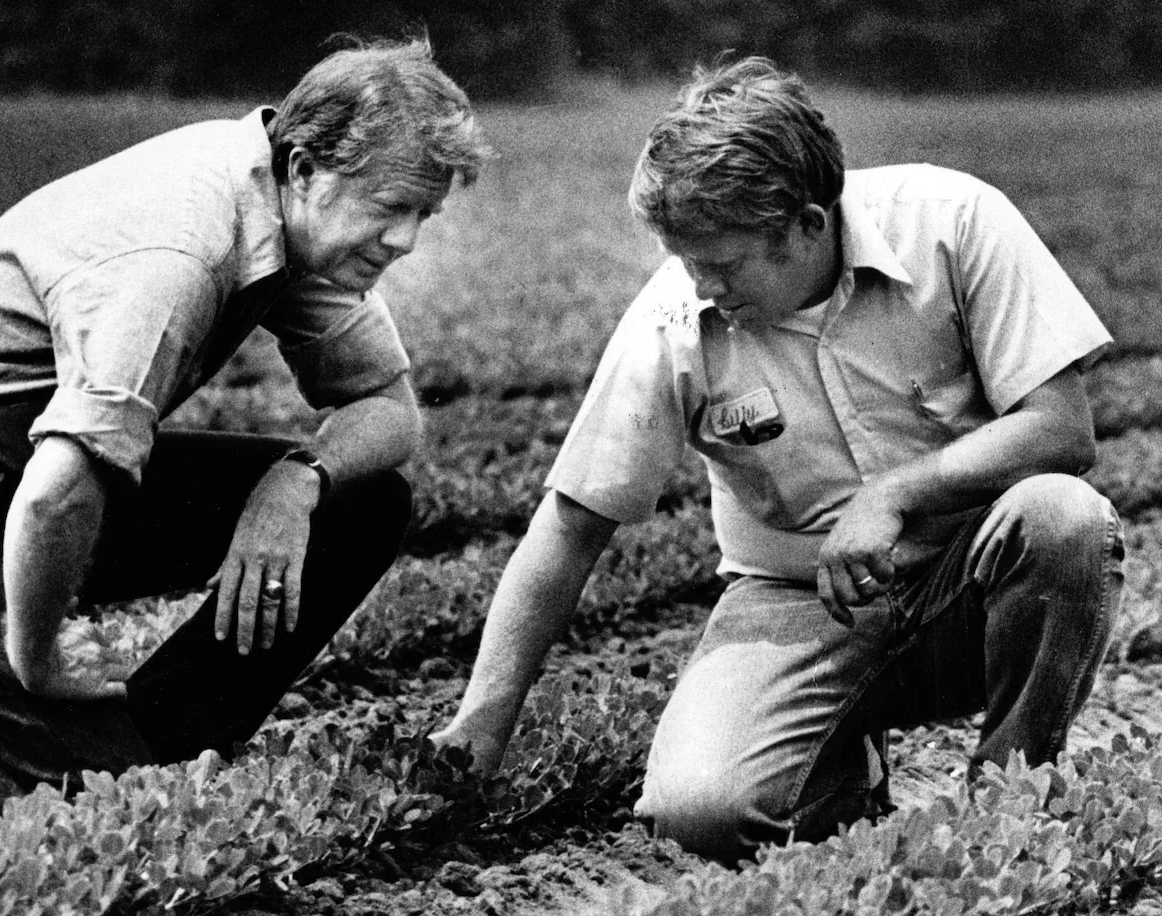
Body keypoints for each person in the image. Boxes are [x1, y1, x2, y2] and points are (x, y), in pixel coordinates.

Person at [0, 38, 489, 838]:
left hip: (15, 473)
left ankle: (167, 729)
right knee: (106, 787)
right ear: (306, 168)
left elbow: (389, 407)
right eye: (392, 207)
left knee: (362, 499)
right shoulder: (181, 251)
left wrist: (296, 481)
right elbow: (57, 495)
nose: (405, 240)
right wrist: (41, 657)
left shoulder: (290, 220)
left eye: (424, 216)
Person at [433, 57, 1124, 864]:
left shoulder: (955, 220)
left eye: (724, 263)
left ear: (806, 223)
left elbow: (1061, 429)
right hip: (797, 597)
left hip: (969, 580)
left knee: (1064, 519)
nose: (702, 284)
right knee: (699, 814)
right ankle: (842, 773)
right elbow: (570, 527)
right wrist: (483, 717)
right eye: (687, 259)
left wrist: (895, 495)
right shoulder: (674, 319)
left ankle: (1010, 799)